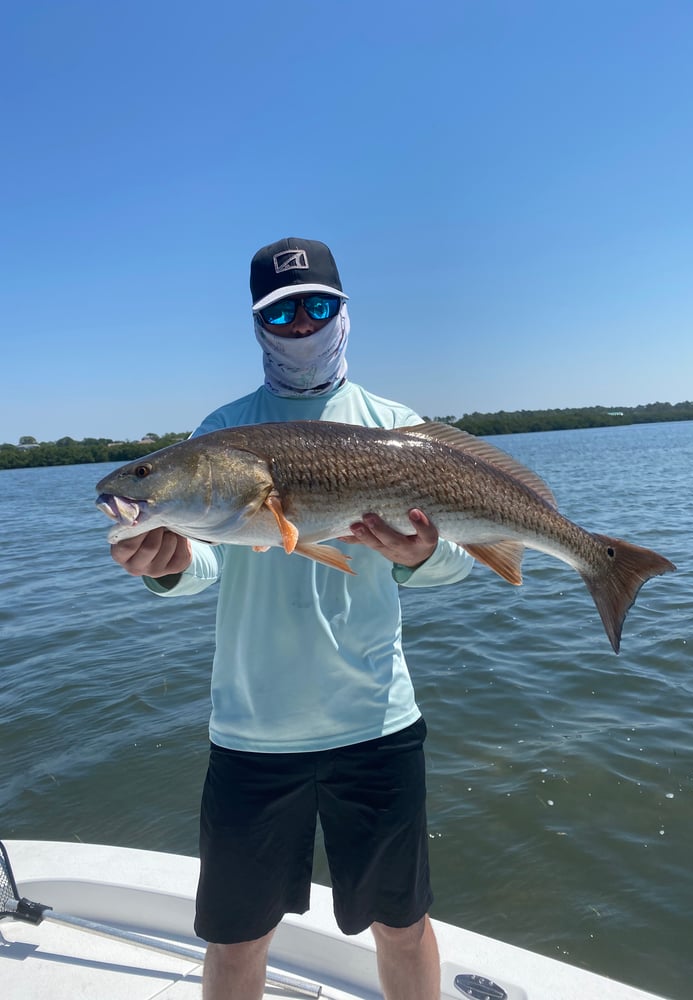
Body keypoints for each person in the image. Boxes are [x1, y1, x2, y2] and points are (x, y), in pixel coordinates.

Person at [110, 237, 474, 1000]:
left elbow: (455, 565)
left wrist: (418, 554)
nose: (301, 326)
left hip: (375, 724)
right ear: (259, 325)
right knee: (237, 938)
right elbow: (211, 555)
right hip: (253, 734)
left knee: (402, 925)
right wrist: (169, 567)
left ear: (343, 312)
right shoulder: (224, 434)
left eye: (317, 306)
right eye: (282, 311)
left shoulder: (396, 426)